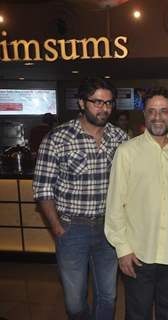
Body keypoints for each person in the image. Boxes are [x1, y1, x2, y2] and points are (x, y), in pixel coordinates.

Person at [32, 77, 128, 319]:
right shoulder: (58, 138)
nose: (104, 108)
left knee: (108, 296)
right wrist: (56, 227)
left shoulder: (120, 139)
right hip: (73, 228)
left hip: (109, 227)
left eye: (109, 103)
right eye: (97, 102)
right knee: (74, 302)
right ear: (82, 103)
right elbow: (43, 188)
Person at [104, 87, 168, 320]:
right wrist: (123, 250)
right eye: (151, 111)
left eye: (163, 111)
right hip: (138, 253)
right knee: (138, 314)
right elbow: (115, 206)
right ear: (144, 115)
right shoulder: (127, 152)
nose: (157, 117)